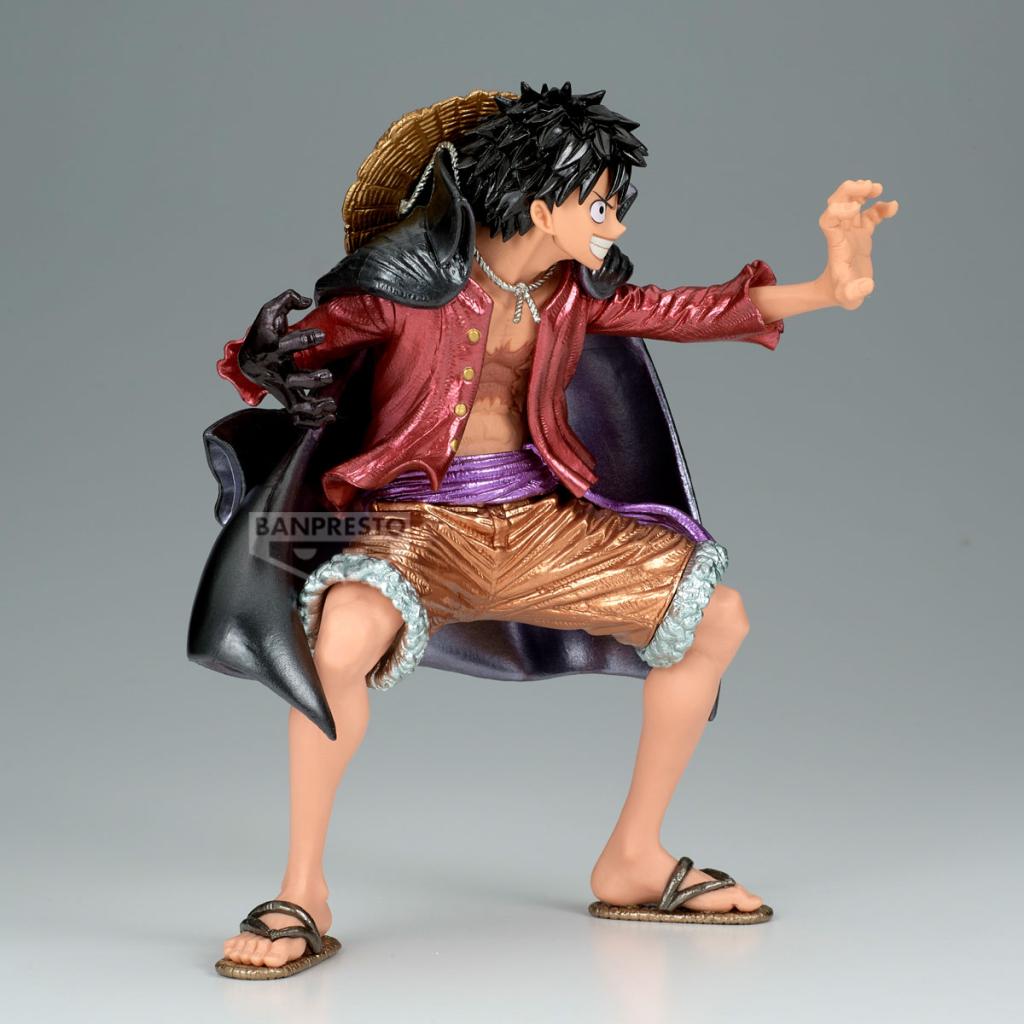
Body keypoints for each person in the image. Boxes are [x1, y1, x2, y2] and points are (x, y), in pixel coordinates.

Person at [193, 82, 899, 979]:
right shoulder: (406, 287)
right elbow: (298, 345)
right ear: (539, 204)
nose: (616, 225)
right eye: (600, 205)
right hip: (420, 527)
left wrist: (830, 286)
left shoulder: (570, 293)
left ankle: (634, 858)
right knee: (341, 639)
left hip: (541, 525)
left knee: (717, 618)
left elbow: (686, 312)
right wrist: (265, 358)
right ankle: (303, 891)